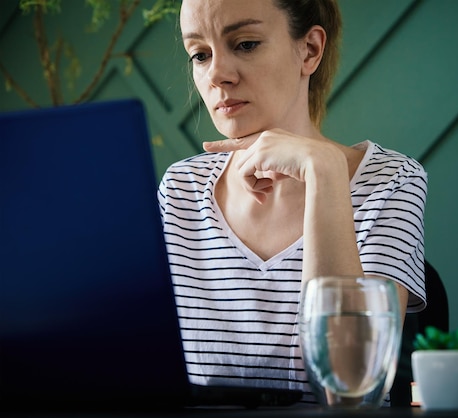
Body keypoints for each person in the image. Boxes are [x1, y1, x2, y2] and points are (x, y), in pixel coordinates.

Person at [158, 0, 428, 406]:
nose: (216, 74)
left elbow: (349, 385)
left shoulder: (390, 180)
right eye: (200, 54)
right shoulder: (181, 188)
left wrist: (325, 174)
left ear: (310, 50)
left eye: (245, 44)